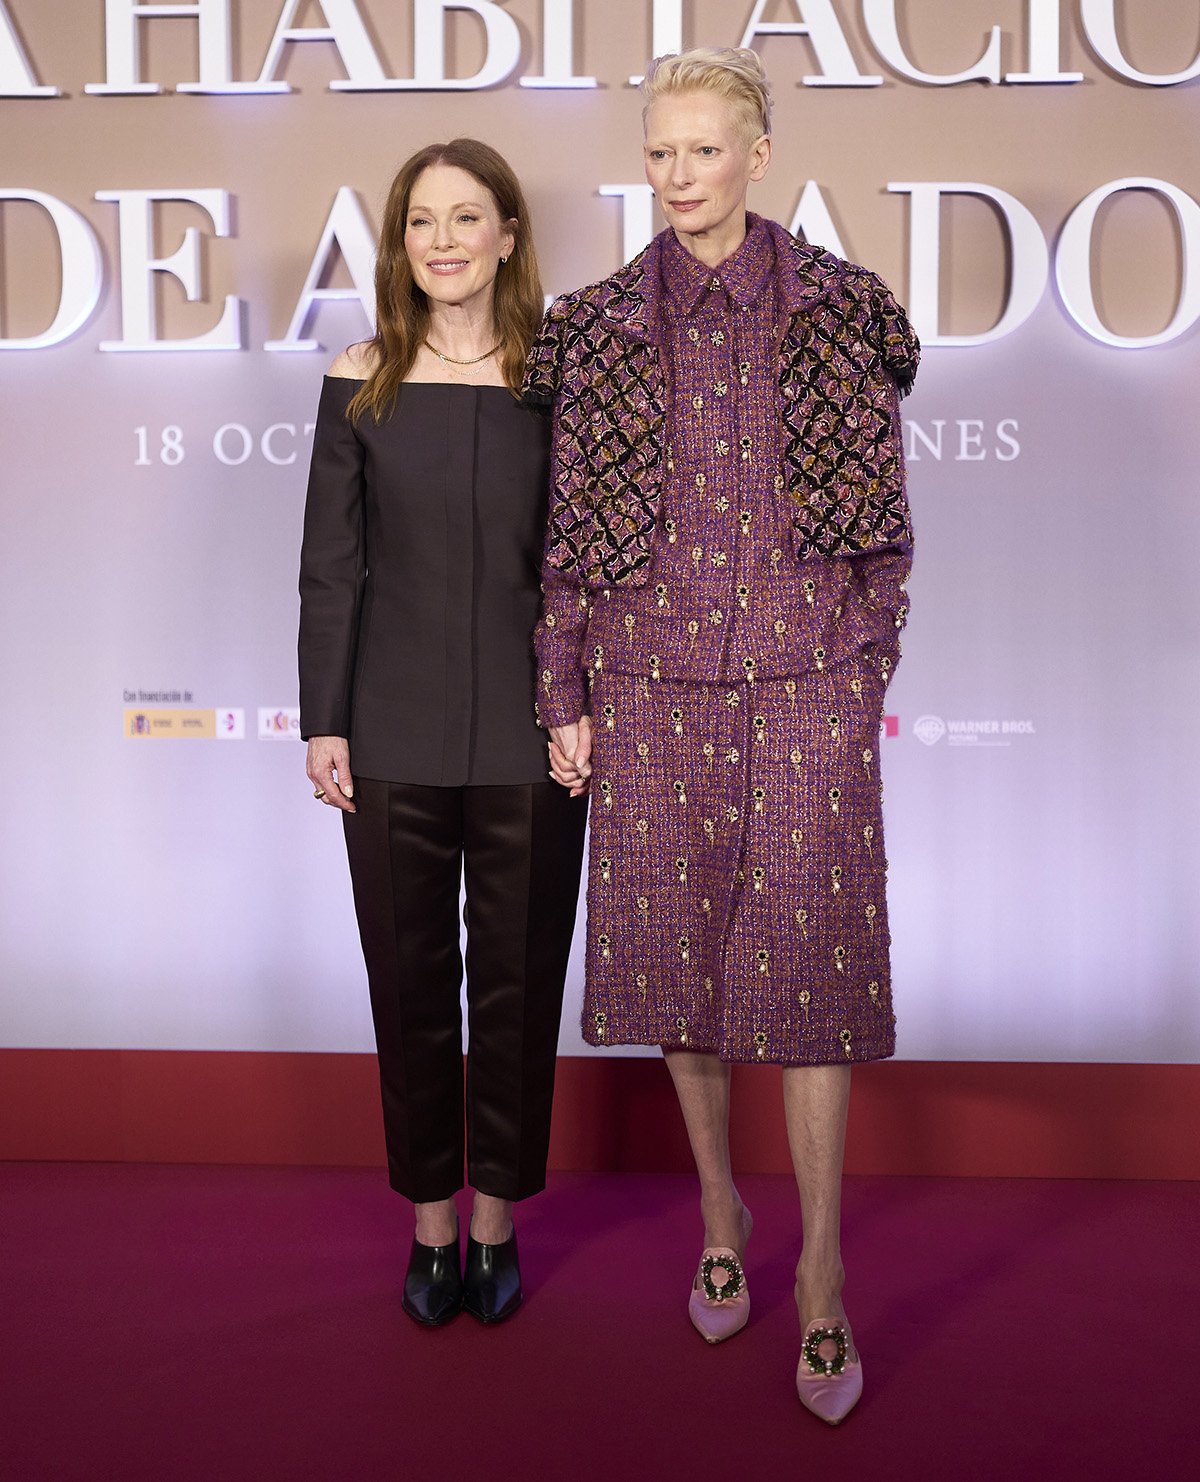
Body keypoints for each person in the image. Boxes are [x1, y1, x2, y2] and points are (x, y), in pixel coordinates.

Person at [524, 49, 918, 1422]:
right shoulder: (594, 328)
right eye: (660, 151)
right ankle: (718, 1214)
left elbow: (886, 532)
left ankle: (820, 1281)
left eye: (704, 149)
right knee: (680, 971)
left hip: (809, 680)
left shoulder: (844, 312)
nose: (680, 174)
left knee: (810, 978)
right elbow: (566, 542)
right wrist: (562, 691)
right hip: (648, 679)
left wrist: (863, 668)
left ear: (758, 153)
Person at [298, 139, 586, 1329]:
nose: (446, 241)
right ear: (399, 244)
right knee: (408, 989)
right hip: (391, 735)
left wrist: (588, 707)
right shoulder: (357, 378)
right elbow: (331, 572)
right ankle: (427, 1232)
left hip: (536, 741)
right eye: (424, 222)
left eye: (469, 219)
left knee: (519, 988)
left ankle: (497, 1227)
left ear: (510, 235)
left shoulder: (561, 383)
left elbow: (588, 568)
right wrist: (325, 723)